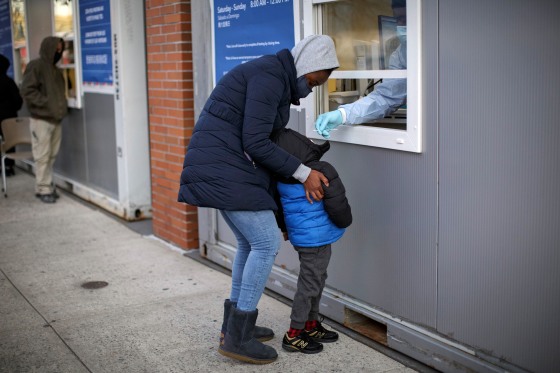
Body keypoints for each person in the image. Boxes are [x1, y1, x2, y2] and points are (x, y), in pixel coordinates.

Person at [178, 35, 340, 364]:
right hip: (224, 169)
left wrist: (279, 210)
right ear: (306, 69)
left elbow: (259, 148)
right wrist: (303, 172)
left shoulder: (274, 77)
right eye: (312, 82)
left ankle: (236, 326)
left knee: (252, 245)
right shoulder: (269, 77)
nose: (311, 90)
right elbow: (256, 143)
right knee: (265, 243)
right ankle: (238, 337)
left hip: (228, 168)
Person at [270, 128, 352, 354]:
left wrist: (284, 228)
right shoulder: (322, 170)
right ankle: (294, 334)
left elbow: (278, 206)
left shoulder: (279, 177)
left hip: (302, 237)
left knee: (315, 278)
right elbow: (338, 202)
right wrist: (345, 221)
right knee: (310, 283)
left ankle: (311, 324)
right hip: (317, 239)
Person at [315, 0, 407, 138]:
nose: (401, 25)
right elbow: (386, 97)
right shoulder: (400, 55)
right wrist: (343, 114)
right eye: (398, 19)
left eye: (405, 18)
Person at [20, 36, 67, 203]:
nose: (59, 52)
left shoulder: (56, 70)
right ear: (49, 48)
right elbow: (27, 90)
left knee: (51, 155)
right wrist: (47, 104)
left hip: (55, 120)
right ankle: (43, 189)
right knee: (42, 155)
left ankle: (46, 185)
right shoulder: (36, 66)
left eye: (61, 49)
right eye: (57, 48)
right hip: (41, 120)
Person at [0, 54, 24, 176]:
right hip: (8, 118)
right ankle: (9, 166)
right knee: (9, 141)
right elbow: (18, 101)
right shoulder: (9, 82)